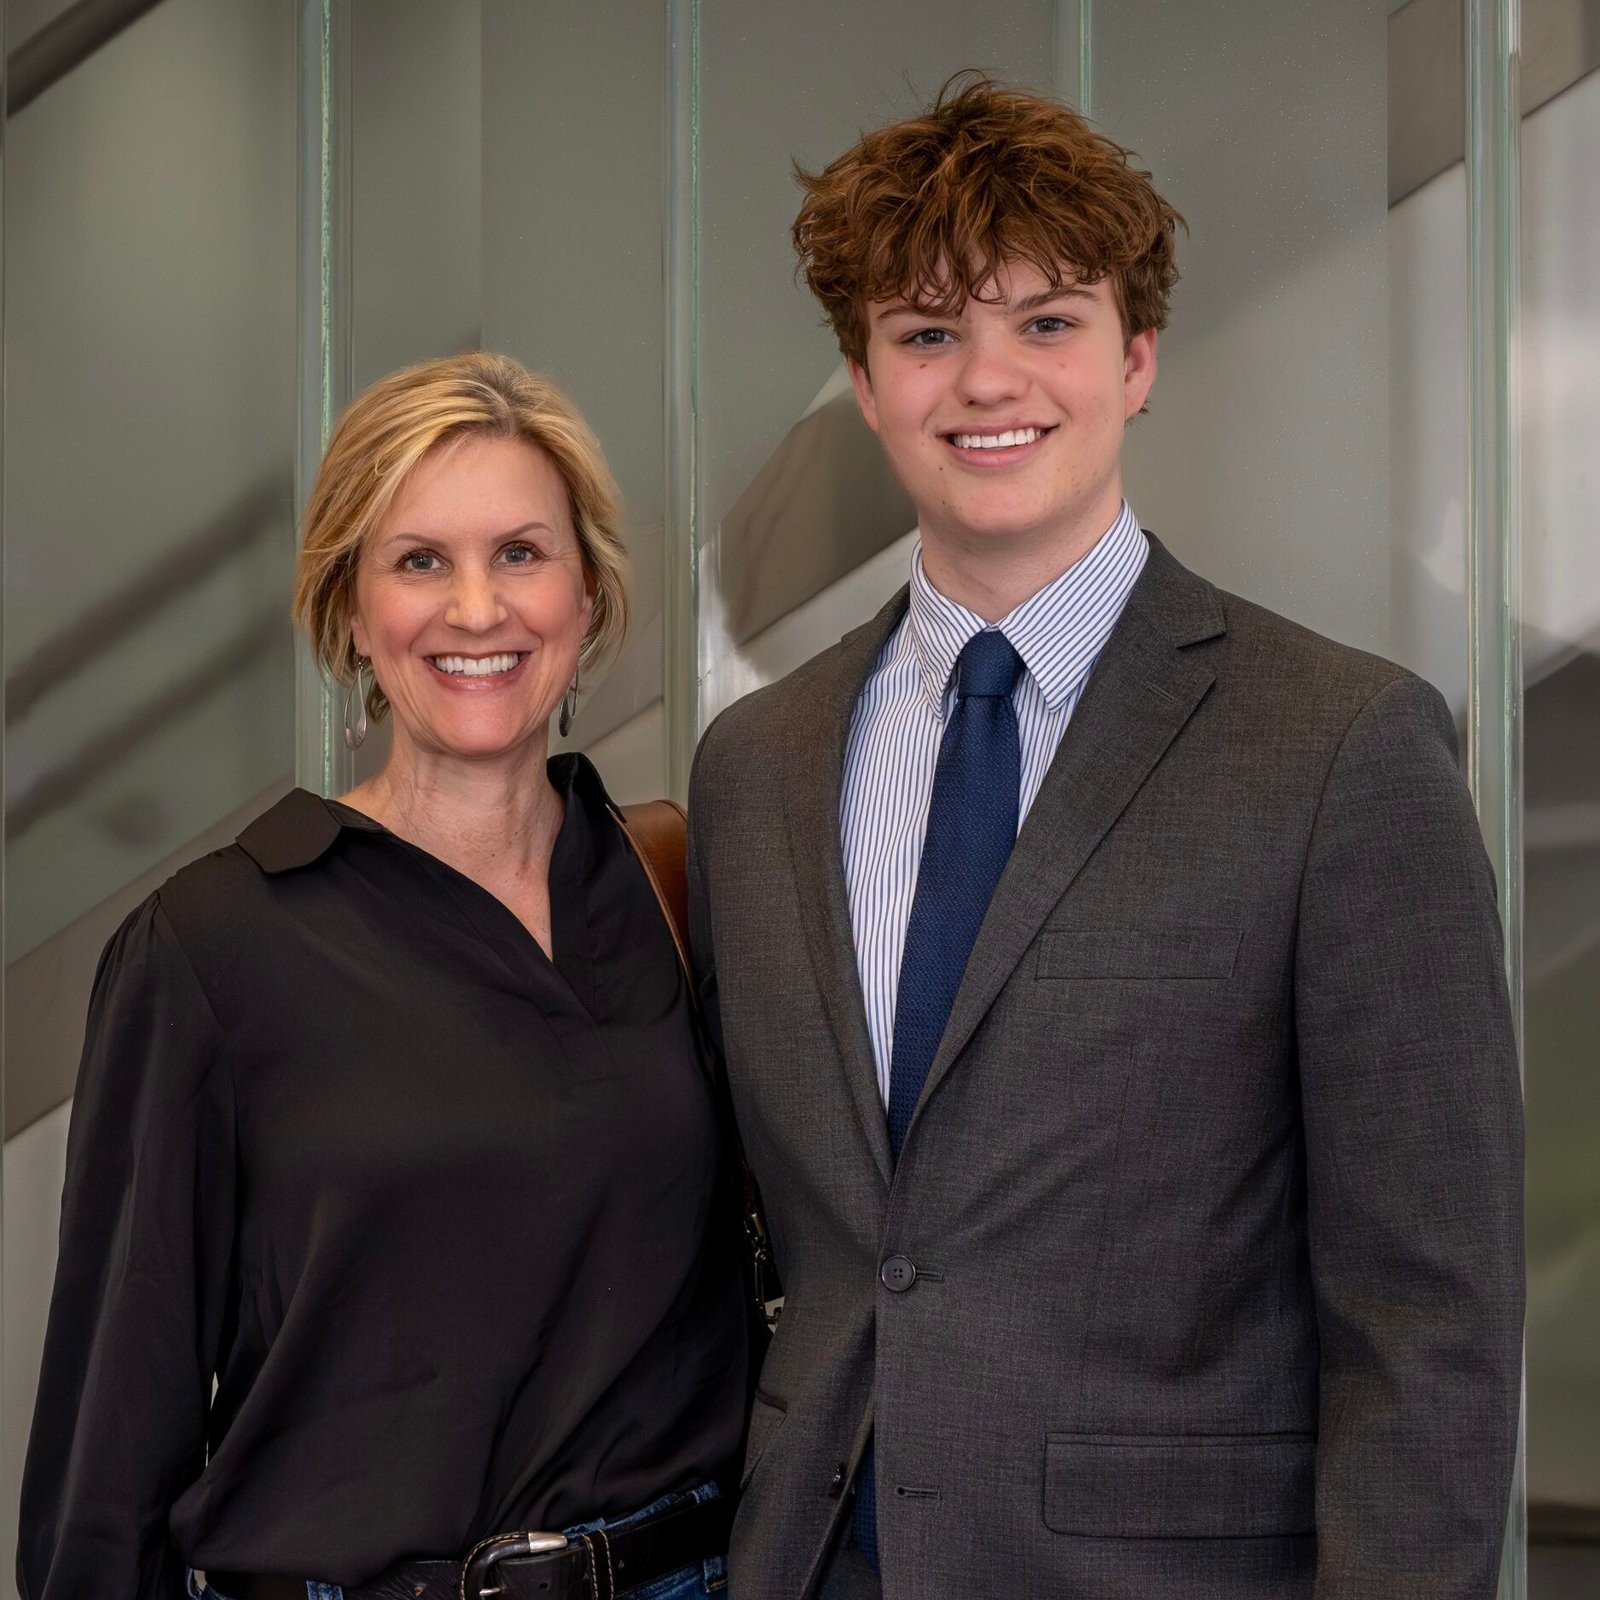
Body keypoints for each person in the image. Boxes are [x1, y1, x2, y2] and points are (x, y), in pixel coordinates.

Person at [687, 75, 1523, 1599]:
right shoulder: (755, 767)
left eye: (1047, 323)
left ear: (1139, 361)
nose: (985, 380)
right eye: (928, 333)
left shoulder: (1343, 746)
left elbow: (1431, 1316)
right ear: (868, 387)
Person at [19, 352, 748, 1600]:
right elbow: (108, 1459)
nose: (478, 609)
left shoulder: (678, 880)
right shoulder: (211, 948)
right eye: (419, 561)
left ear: (588, 596)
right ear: (352, 612)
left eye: (521, 552)